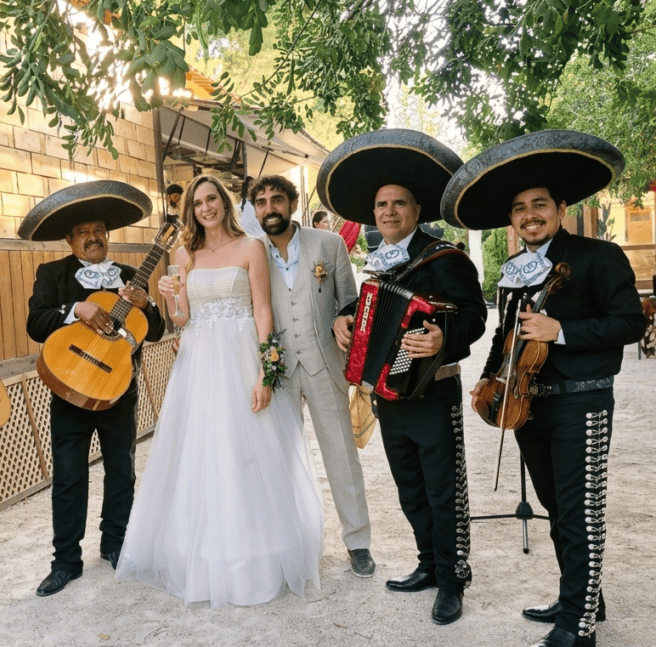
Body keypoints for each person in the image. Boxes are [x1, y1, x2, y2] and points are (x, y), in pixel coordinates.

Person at [446, 130, 647, 647]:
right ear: (511, 220)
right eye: (519, 208)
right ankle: (583, 597)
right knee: (558, 510)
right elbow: (507, 329)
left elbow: (628, 323)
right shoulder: (514, 269)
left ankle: (577, 629)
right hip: (527, 404)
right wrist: (491, 377)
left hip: (582, 399)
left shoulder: (600, 257)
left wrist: (564, 331)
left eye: (539, 204)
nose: (529, 214)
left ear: (560, 207)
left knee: (581, 513)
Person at [116, 174, 324, 608]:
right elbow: (181, 318)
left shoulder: (252, 248)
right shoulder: (183, 254)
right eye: (197, 203)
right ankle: (205, 552)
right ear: (189, 210)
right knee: (202, 452)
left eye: (212, 199)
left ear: (224, 203)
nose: (205, 208)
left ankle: (258, 551)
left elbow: (263, 310)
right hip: (199, 362)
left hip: (243, 356)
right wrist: (170, 296)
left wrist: (266, 373)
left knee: (249, 451)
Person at [322, 129, 487, 625]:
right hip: (390, 394)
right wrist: (342, 317)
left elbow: (475, 315)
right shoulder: (381, 261)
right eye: (380, 205)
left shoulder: (445, 258)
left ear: (416, 211)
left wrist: (443, 337)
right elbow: (371, 307)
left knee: (444, 488)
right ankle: (428, 565)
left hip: (434, 393)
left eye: (398, 204)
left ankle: (453, 579)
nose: (388, 213)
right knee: (410, 486)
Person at [20, 180, 166, 597]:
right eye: (82, 231)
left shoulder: (126, 276)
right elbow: (35, 323)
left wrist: (146, 305)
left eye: (98, 229)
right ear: (69, 240)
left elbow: (154, 330)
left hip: (119, 387)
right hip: (70, 388)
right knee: (68, 476)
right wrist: (74, 310)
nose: (92, 237)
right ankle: (66, 559)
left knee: (121, 468)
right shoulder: (53, 274)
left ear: (108, 235)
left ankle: (116, 543)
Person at [252, 174, 374, 578]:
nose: (270, 208)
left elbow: (351, 301)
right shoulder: (251, 253)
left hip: (325, 364)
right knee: (280, 459)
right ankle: (289, 542)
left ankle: (358, 542)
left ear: (292, 202)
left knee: (341, 455)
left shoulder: (329, 244)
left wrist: (344, 319)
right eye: (262, 202)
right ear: (255, 210)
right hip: (279, 371)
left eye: (277, 200)